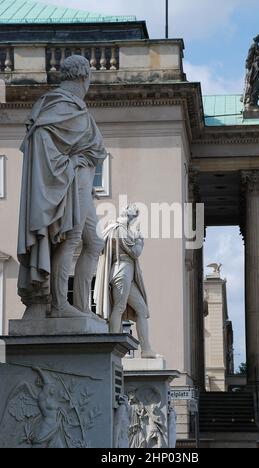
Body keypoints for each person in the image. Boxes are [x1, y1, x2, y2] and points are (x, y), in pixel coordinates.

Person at [17, 55, 107, 318]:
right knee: (71, 238)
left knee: (94, 243)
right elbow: (42, 148)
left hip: (83, 181)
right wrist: (71, 163)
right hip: (70, 178)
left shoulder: (73, 107)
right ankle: (59, 305)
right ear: (83, 77)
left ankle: (80, 306)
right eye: (89, 76)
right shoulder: (56, 105)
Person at [94, 204, 156, 358]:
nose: (136, 214)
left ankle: (146, 349)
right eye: (134, 211)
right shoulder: (119, 228)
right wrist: (140, 241)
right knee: (119, 307)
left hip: (126, 270)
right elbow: (135, 252)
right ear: (127, 212)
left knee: (141, 309)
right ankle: (113, 348)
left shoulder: (122, 229)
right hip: (121, 270)